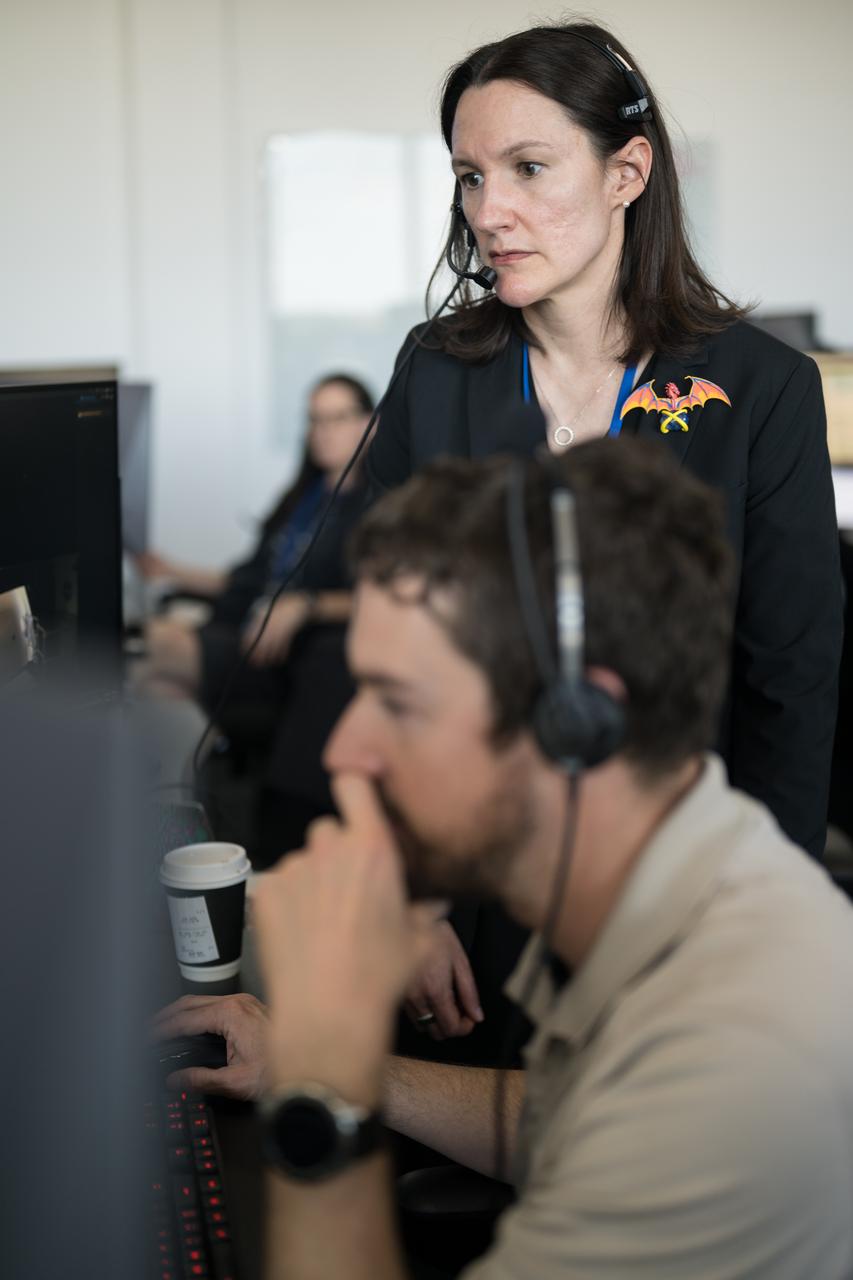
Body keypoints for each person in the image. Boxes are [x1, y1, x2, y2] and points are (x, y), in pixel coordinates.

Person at [155, 442, 853, 1278]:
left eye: (398, 702)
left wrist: (325, 1080)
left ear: (577, 721)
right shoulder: (690, 884)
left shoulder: (729, 1050)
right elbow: (565, 1116)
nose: (347, 749)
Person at [364, 18, 843, 1053]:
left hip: (679, 896)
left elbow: (789, 685)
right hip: (473, 895)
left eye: (528, 168)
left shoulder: (762, 390)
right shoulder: (435, 372)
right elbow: (380, 652)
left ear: (627, 172)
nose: (490, 212)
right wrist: (404, 893)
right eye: (469, 177)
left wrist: (757, 931)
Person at [140, 373, 373, 709]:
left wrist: (306, 604)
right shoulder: (300, 499)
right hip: (244, 629)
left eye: (338, 418)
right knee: (157, 686)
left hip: (290, 657)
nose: (323, 430)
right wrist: (170, 570)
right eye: (315, 419)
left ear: (371, 424)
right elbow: (247, 578)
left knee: (149, 645)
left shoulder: (378, 509)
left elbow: (373, 596)